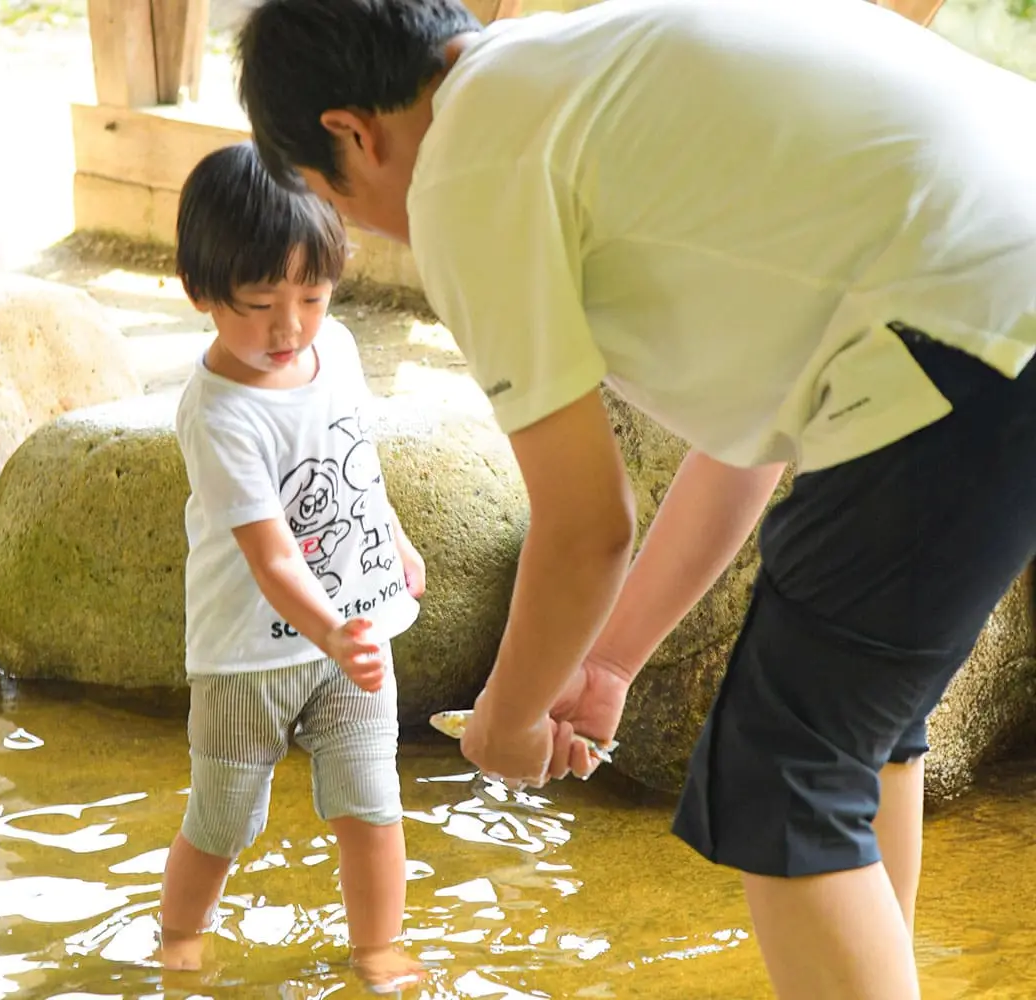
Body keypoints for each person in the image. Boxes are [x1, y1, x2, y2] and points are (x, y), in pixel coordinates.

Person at [234, 0, 1036, 996]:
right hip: (989, 288)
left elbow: (584, 526)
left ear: (351, 133)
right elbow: (739, 444)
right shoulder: (571, 77)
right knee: (851, 730)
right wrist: (608, 659)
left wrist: (509, 716)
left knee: (776, 773)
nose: (368, 228)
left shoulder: (466, 164)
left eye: (336, 200)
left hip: (969, 308)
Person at [163, 140, 427, 992]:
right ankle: (180, 937)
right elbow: (271, 552)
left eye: (311, 296)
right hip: (248, 657)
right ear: (201, 293)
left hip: (352, 644)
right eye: (259, 303)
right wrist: (330, 628)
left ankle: (377, 949)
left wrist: (392, 540)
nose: (289, 327)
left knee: (372, 802)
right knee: (223, 821)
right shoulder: (219, 414)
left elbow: (354, 465)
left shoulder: (337, 350)